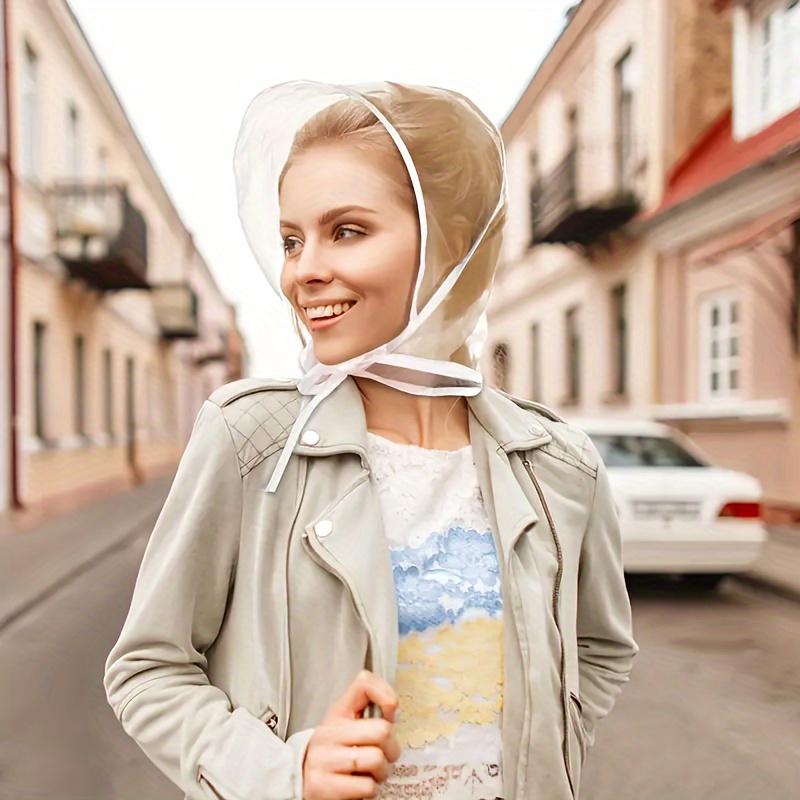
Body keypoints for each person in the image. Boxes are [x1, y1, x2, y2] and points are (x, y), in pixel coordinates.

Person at [104, 81, 638, 800]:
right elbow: (147, 668)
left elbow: (599, 650)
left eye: (345, 230)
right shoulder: (251, 440)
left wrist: (543, 746)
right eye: (292, 239)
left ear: (451, 245)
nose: (304, 270)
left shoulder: (559, 464)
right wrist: (282, 772)